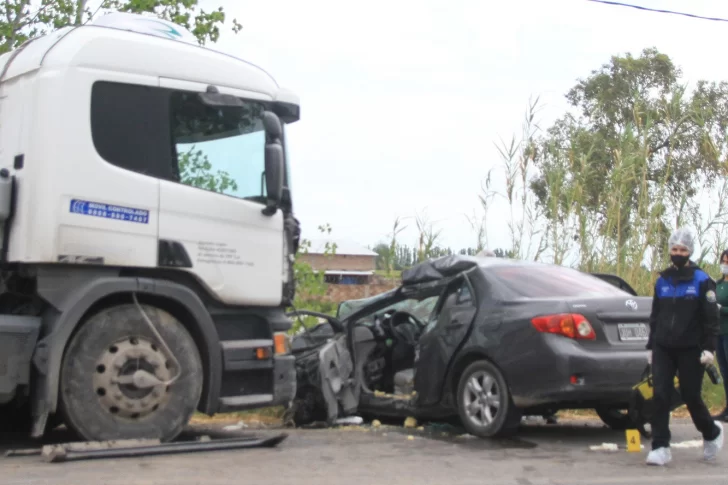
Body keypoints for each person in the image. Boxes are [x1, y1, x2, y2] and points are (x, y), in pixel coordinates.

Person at [645, 227, 724, 466]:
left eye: (682, 250)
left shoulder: (702, 281)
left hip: (691, 348)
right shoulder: (663, 280)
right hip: (663, 347)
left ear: (690, 252)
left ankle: (711, 432)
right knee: (660, 395)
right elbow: (655, 315)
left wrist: (709, 348)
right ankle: (660, 446)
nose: (677, 253)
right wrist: (651, 346)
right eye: (674, 249)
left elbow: (711, 318)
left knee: (690, 396)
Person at [712, 249, 728, 421]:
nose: (725, 264)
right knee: (725, 372)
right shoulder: (718, 284)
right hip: (719, 332)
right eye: (723, 261)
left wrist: (721, 309)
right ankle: (727, 408)